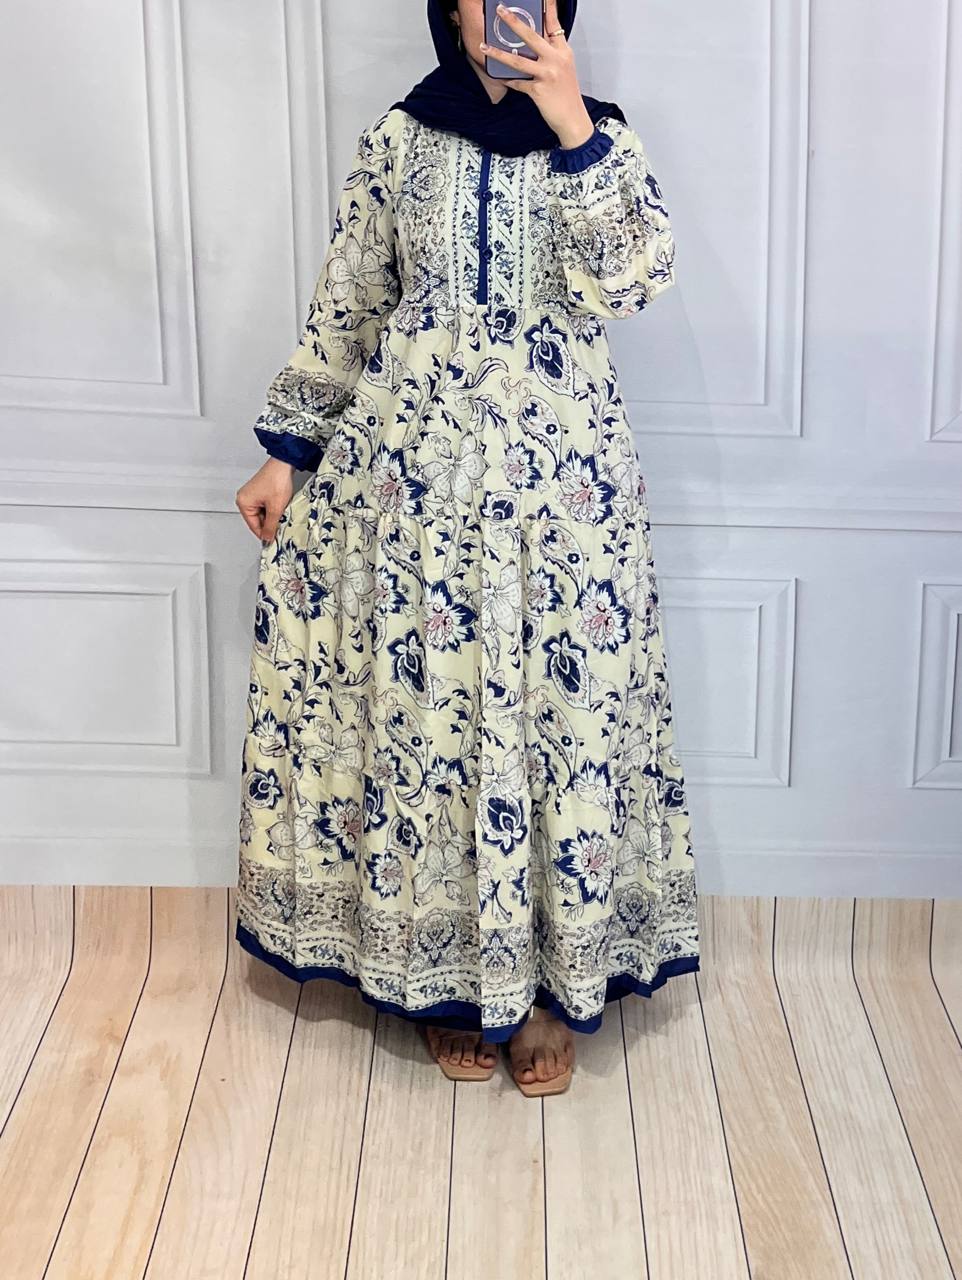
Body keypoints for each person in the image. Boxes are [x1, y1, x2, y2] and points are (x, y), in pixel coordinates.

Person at [233, 0, 700, 1098]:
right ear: (449, 8)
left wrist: (568, 119)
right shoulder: (401, 137)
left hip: (562, 503)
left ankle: (540, 994)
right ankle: (448, 985)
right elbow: (351, 302)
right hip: (416, 496)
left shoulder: (601, 138)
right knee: (433, 723)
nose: (507, 8)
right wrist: (286, 454)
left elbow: (635, 280)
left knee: (557, 724)